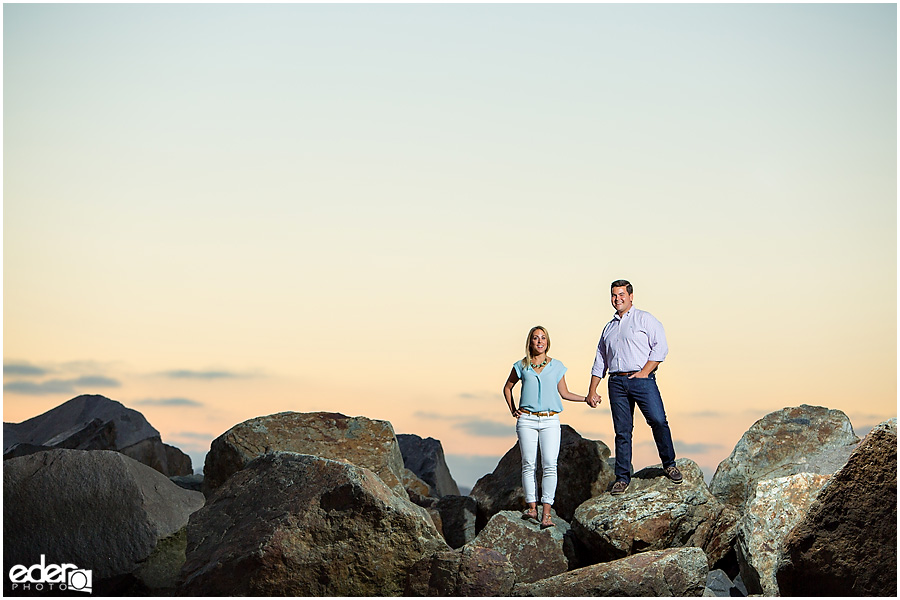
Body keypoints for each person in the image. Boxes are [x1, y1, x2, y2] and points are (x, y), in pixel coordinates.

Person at [585, 280, 682, 495]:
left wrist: (645, 372)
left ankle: (669, 464)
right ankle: (622, 478)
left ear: (631, 296)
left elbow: (661, 347)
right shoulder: (608, 328)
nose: (617, 298)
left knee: (658, 420)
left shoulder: (644, 319)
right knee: (622, 431)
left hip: (642, 380)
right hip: (616, 382)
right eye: (613, 295)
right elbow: (600, 359)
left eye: (621, 294)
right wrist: (592, 390)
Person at [503, 325, 591, 528]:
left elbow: (565, 393)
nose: (539, 341)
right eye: (535, 338)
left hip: (550, 420)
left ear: (547, 342)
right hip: (527, 420)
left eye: (543, 338)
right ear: (530, 342)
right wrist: (513, 409)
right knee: (528, 463)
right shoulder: (521, 366)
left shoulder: (557, 366)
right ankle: (532, 508)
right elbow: (508, 387)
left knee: (550, 465)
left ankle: (547, 513)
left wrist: (585, 399)